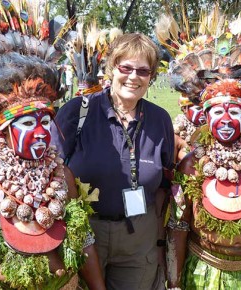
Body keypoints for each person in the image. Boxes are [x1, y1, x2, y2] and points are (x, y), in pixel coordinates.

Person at [154, 6, 241, 290]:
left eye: (234, 112)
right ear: (205, 116)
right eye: (218, 112)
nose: (226, 121)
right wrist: (175, 284)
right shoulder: (190, 164)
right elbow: (179, 227)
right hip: (205, 274)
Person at [0, 3, 105, 290]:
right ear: (3, 132)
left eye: (45, 122)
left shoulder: (61, 175)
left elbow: (83, 240)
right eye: (28, 124)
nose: (41, 132)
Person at [52, 32, 175, 290]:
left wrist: (159, 238)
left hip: (138, 236)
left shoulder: (160, 119)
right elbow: (53, 171)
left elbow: (165, 184)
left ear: (151, 77)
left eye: (143, 71)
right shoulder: (77, 112)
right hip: (84, 232)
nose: (133, 77)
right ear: (111, 68)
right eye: (126, 67)